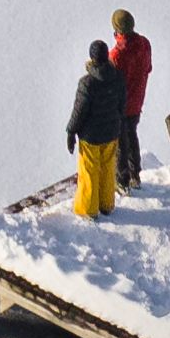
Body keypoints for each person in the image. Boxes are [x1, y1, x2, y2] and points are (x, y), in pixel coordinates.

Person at [66, 36, 130, 219]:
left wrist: (71, 131)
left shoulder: (87, 83)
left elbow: (79, 111)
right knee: (108, 168)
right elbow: (122, 105)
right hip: (111, 132)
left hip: (91, 136)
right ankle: (107, 204)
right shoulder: (118, 77)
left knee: (89, 171)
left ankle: (88, 209)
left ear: (92, 57)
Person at [108, 8, 154, 163]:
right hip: (137, 102)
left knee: (120, 142)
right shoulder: (145, 44)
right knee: (132, 134)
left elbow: (110, 83)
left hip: (120, 106)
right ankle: (135, 171)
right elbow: (148, 68)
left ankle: (123, 175)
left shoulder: (116, 55)